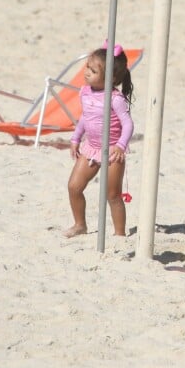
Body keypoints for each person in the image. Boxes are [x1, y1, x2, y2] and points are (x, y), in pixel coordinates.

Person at [63, 43, 135, 238]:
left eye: (93, 70)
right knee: (74, 187)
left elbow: (128, 124)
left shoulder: (115, 98)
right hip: (91, 148)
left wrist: (121, 145)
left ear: (110, 78)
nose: (86, 72)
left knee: (112, 195)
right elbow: (86, 118)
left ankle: (119, 234)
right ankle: (80, 225)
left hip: (112, 151)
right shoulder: (85, 92)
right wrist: (76, 137)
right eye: (87, 67)